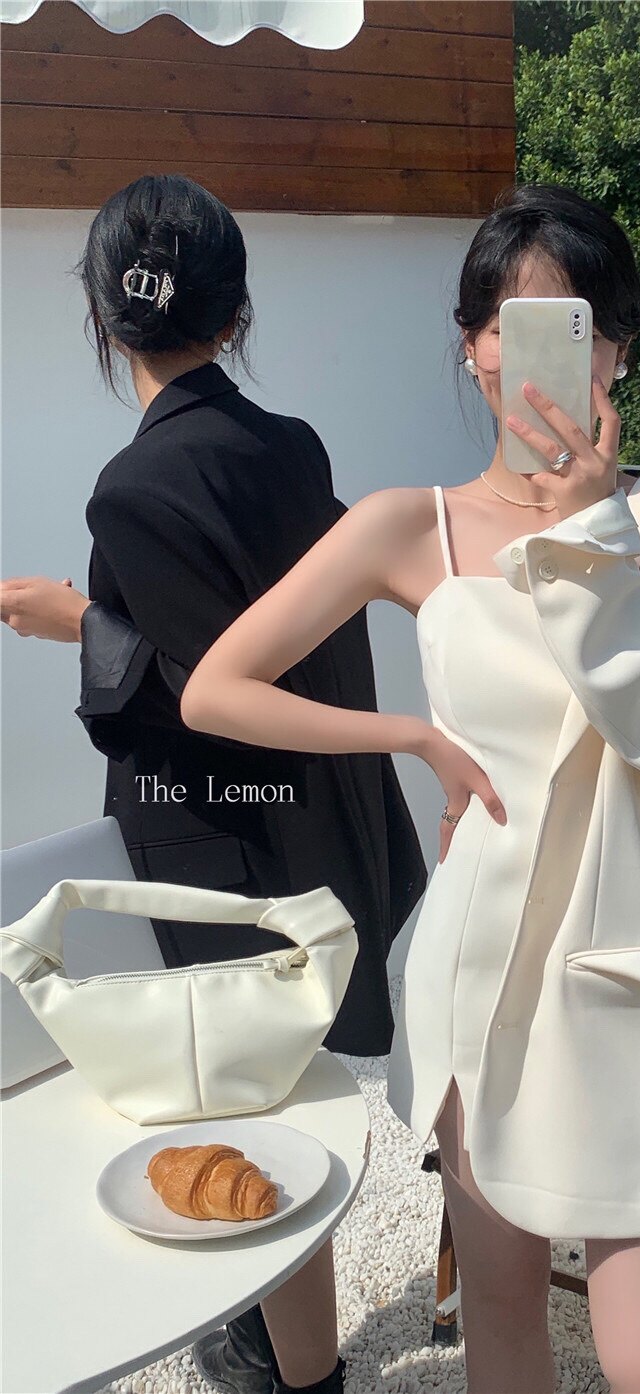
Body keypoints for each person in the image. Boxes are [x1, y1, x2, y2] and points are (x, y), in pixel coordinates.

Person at [179, 183, 640, 1394]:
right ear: (471, 346)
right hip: (487, 968)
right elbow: (216, 687)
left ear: (618, 348)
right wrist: (414, 735)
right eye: (505, 326)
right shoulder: (412, 525)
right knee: (502, 1317)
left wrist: (595, 534)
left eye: (573, 325)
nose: (532, 356)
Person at [0, 173, 428, 1394]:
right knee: (276, 1088)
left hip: (215, 847)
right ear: (235, 314)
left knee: (242, 1101)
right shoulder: (292, 447)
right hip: (314, 817)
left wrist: (76, 620)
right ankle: (274, 1338)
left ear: (102, 314)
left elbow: (197, 692)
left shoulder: (132, 488)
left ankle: (303, 1370)